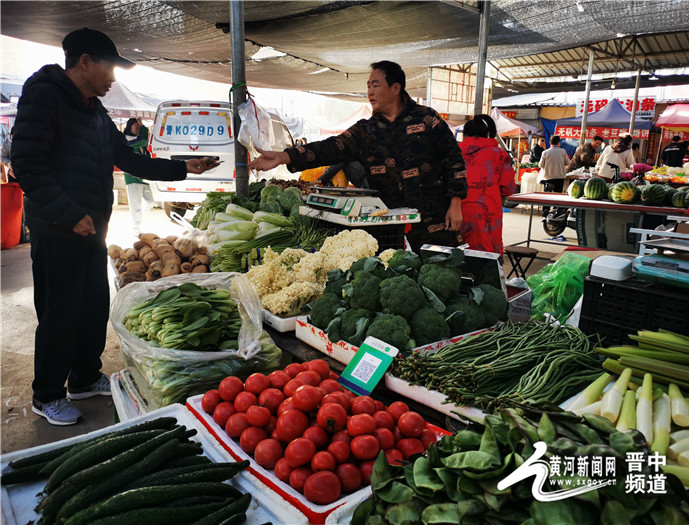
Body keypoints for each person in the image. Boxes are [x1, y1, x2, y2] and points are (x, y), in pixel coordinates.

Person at [11, 28, 216, 426]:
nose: (113, 79)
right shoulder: (45, 96)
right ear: (86, 62)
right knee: (59, 312)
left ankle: (85, 377)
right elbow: (27, 163)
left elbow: (127, 158)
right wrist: (69, 212)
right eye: (110, 68)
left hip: (92, 229)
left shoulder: (93, 109)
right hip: (57, 228)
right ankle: (48, 393)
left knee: (91, 306)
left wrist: (182, 166)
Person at [250, 60, 467, 250]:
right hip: (389, 223)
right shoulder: (365, 131)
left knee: (441, 277)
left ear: (395, 88)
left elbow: (454, 160)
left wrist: (455, 204)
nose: (370, 92)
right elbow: (329, 148)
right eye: (368, 86)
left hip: (434, 220)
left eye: (375, 85)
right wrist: (285, 156)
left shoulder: (427, 119)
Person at [458, 114, 516, 256]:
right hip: (487, 215)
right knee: (487, 257)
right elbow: (508, 188)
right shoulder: (499, 155)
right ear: (486, 134)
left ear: (464, 135)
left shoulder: (453, 153)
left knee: (457, 256)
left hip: (455, 211)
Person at [123, 117, 154, 235]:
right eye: (136, 127)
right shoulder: (126, 140)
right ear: (129, 127)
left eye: (138, 127)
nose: (138, 129)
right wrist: (143, 127)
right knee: (135, 205)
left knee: (150, 201)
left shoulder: (139, 140)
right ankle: (135, 229)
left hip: (144, 176)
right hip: (132, 177)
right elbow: (145, 139)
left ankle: (135, 219)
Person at [538, 135, 569, 218]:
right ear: (558, 143)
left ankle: (545, 212)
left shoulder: (545, 152)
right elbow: (567, 162)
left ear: (550, 142)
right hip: (560, 177)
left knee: (547, 196)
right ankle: (556, 212)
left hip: (548, 177)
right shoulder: (563, 151)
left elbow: (540, 165)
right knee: (558, 195)